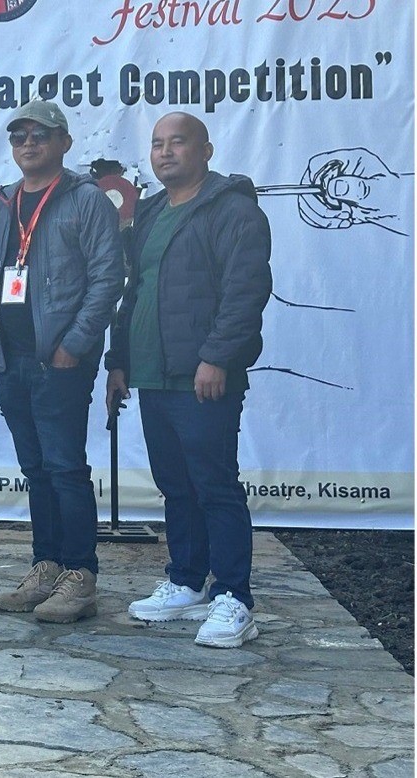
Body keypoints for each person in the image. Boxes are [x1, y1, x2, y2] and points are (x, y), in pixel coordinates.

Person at [106, 112, 272, 648]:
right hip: (154, 373)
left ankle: (233, 597)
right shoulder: (150, 211)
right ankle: (186, 580)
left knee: (215, 485)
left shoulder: (233, 210)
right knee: (175, 486)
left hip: (203, 375)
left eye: (178, 142)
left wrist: (218, 357)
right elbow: (133, 294)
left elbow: (245, 292)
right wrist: (119, 362)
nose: (165, 152)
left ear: (206, 150)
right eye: (157, 144)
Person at [0, 100, 122, 624]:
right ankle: (46, 567)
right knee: (35, 469)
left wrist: (76, 343)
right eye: (19, 135)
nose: (28, 143)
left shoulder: (87, 200)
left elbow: (108, 279)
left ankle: (81, 575)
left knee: (65, 467)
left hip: (61, 360)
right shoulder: (4, 205)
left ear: (64, 142)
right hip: (14, 357)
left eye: (39, 135)